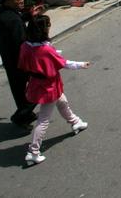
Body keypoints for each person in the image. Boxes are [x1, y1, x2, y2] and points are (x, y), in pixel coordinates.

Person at [19, 15, 91, 166]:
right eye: (48, 25)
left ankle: (75, 122)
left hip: (37, 84)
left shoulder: (25, 46)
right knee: (44, 120)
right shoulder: (46, 49)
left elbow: (25, 63)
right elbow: (63, 63)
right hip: (49, 86)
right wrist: (81, 64)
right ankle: (33, 152)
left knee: (63, 102)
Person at [0, 0, 38, 129]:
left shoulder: (1, 12)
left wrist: (28, 15)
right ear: (8, 1)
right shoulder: (13, 20)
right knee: (41, 85)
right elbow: (22, 43)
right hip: (20, 61)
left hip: (9, 59)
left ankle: (26, 116)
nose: (22, 1)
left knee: (18, 91)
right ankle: (20, 116)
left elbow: (15, 20)